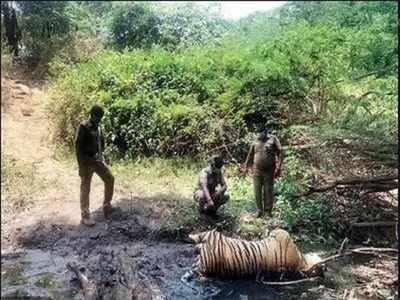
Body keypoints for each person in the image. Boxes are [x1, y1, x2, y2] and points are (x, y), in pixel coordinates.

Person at [75, 104, 114, 226]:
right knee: (86, 187)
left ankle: (107, 206)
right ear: (92, 115)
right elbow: (78, 148)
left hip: (96, 160)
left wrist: (103, 157)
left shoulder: (97, 127)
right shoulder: (83, 127)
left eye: (100, 117)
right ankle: (85, 216)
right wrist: (81, 167)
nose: (99, 119)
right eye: (97, 117)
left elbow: (99, 143)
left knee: (110, 178)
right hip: (86, 161)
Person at [244, 124, 282, 218]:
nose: (260, 135)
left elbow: (280, 152)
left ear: (265, 132)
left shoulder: (273, 139)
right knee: (257, 190)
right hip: (257, 170)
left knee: (268, 190)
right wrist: (246, 167)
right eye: (258, 133)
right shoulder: (255, 141)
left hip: (269, 170)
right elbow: (250, 155)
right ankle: (259, 210)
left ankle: (268, 212)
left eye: (261, 133)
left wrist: (279, 167)